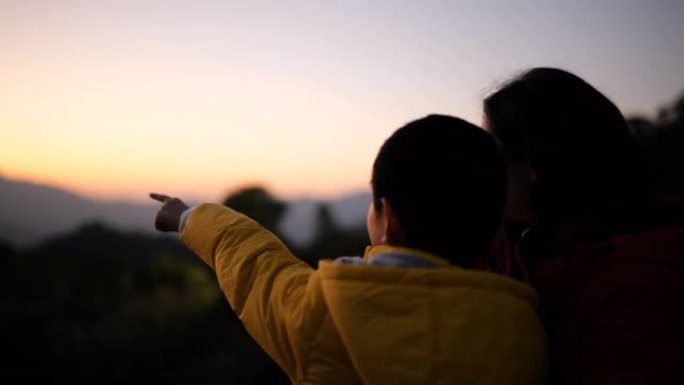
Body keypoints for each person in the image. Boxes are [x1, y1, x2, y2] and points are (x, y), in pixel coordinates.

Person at [150, 115, 548, 385]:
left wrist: (187, 217)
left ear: (387, 218)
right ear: (496, 230)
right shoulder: (527, 329)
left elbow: (254, 266)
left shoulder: (325, 314)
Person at [483, 67, 684, 385]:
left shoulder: (641, 283)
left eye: (489, 153)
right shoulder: (531, 247)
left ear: (535, 163)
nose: (479, 169)